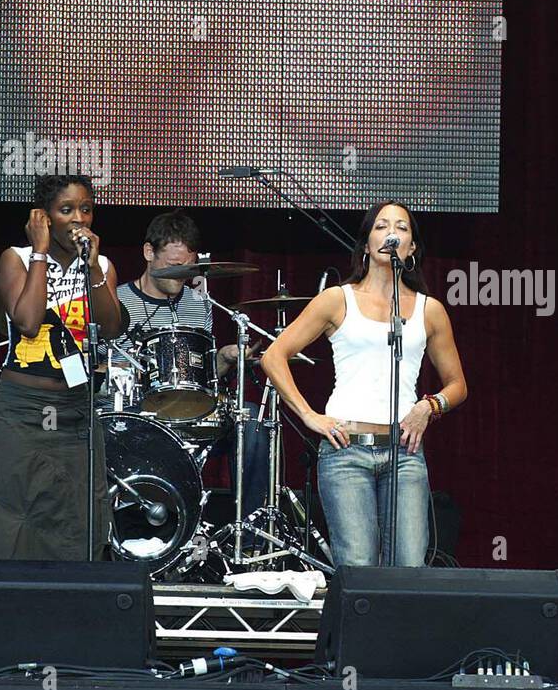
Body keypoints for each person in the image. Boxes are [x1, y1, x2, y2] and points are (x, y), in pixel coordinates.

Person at [260, 201, 467, 566]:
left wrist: (428, 406)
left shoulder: (428, 309)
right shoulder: (338, 299)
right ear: (368, 243)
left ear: (412, 247)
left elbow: (457, 384)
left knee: (408, 568)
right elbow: (273, 356)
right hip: (346, 452)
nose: (392, 233)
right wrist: (311, 415)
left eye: (402, 228)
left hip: (405, 454)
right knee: (357, 568)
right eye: (382, 226)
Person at [0, 172, 123, 560]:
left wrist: (92, 270)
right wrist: (39, 251)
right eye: (67, 209)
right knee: (12, 513)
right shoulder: (18, 258)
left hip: (75, 409)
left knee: (76, 519)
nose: (79, 219)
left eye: (86, 209)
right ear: (43, 217)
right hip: (21, 407)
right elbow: (26, 321)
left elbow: (109, 327)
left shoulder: (102, 266)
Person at [111, 210, 267, 510]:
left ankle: (247, 533)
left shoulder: (198, 304)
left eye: (187, 268)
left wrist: (224, 357)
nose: (181, 275)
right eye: (172, 266)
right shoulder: (115, 302)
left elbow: (204, 377)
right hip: (137, 416)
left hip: (190, 416)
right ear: (148, 252)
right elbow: (101, 369)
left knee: (252, 422)